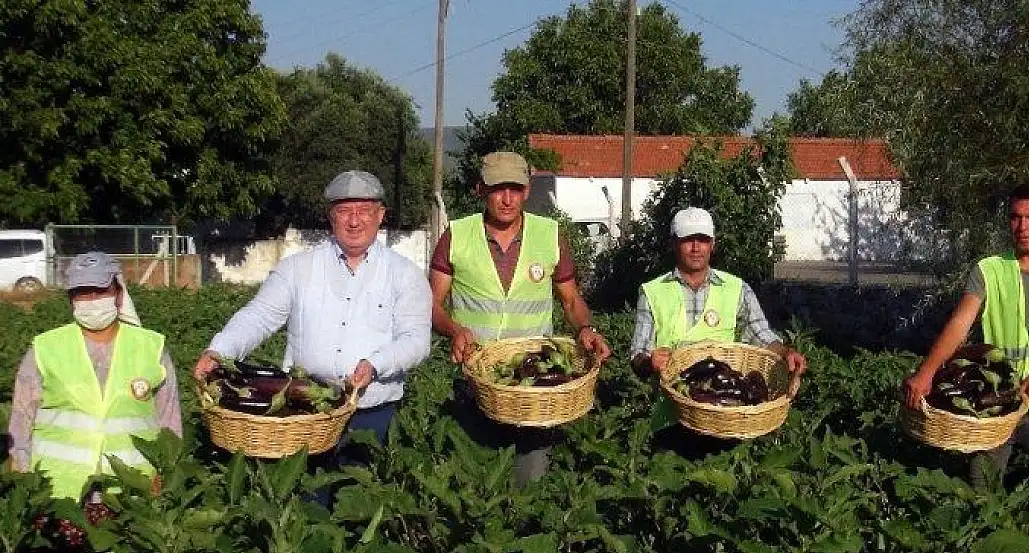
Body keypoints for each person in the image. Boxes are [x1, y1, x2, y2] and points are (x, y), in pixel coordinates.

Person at [194, 170, 432, 453]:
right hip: (303, 411)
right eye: (344, 211)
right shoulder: (297, 269)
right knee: (308, 493)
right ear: (331, 216)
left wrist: (375, 364)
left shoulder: (405, 274)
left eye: (364, 211)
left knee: (362, 493)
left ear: (381, 215)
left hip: (373, 411)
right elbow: (257, 317)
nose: (354, 220)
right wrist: (219, 351)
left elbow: (416, 340)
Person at [903, 183, 1029, 487]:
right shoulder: (989, 270)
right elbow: (959, 325)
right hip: (994, 404)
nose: (1023, 227)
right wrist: (926, 373)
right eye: (1016, 217)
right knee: (981, 488)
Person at [429, 151, 611, 486]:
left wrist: (586, 328)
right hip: (477, 378)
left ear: (527, 191)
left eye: (515, 188)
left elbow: (571, 300)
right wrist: (453, 329)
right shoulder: (456, 235)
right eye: (498, 189)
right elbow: (432, 304)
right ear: (480, 190)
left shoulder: (550, 235)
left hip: (536, 387)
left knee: (530, 483)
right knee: (475, 483)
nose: (507, 198)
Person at [7, 252, 182, 500]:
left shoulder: (151, 347)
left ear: (118, 293)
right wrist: (24, 480)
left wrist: (166, 476)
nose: (91, 299)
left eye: (100, 291)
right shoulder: (45, 348)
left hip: (131, 491)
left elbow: (169, 421)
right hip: (59, 491)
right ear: (71, 299)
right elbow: (21, 419)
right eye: (82, 292)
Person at [630, 207, 808, 379]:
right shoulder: (652, 292)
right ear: (673, 244)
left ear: (712, 244)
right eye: (687, 239)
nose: (695, 248)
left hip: (722, 402)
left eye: (703, 239)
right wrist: (649, 362)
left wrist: (786, 353)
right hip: (671, 406)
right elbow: (638, 357)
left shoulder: (737, 289)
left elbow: (760, 335)